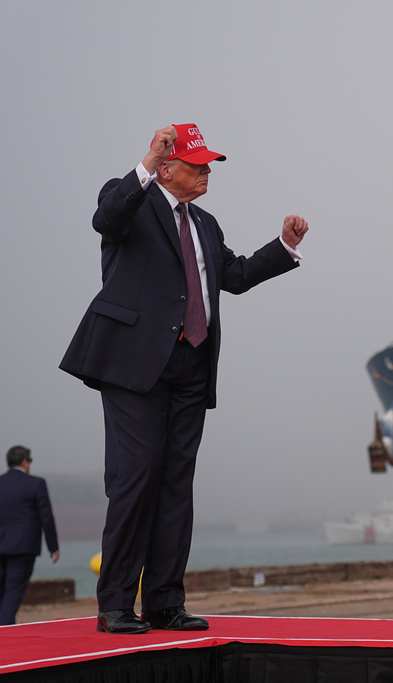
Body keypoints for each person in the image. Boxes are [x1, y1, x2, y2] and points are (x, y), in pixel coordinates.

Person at [60, 124, 309, 635]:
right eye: (198, 165)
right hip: (135, 365)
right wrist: (148, 160)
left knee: (176, 485)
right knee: (135, 480)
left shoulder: (206, 223)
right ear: (168, 167)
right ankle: (114, 606)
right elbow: (105, 219)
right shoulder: (128, 197)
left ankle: (164, 602)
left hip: (193, 366)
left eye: (210, 165)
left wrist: (283, 246)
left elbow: (233, 276)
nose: (207, 172)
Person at [0, 446, 60, 625]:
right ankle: (5, 631)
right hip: (23, 548)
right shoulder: (36, 483)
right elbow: (46, 517)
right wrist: (53, 546)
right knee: (13, 591)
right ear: (25, 462)